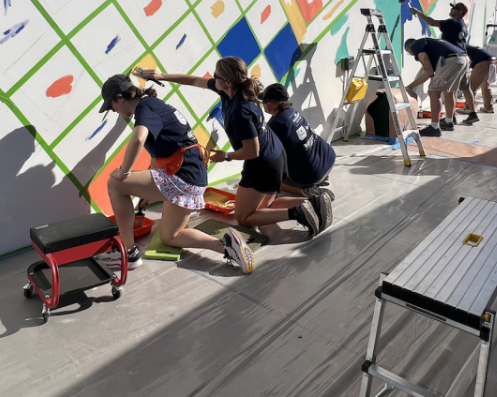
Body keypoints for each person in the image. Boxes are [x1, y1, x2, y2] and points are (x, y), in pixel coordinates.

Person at [136, 57, 321, 237]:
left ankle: (297, 213)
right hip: (274, 153)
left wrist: (225, 156)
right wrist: (162, 76)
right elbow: (193, 80)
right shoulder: (229, 91)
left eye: (215, 75)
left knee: (244, 217)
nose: (212, 78)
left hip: (263, 163)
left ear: (226, 81)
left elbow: (252, 151)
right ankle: (315, 201)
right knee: (263, 208)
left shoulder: (240, 111)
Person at [99, 74, 255, 273]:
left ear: (120, 98)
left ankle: (129, 254)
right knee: (170, 236)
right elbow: (159, 154)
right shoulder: (155, 104)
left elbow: (138, 139)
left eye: (112, 106)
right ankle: (226, 245)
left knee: (115, 183)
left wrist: (124, 172)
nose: (114, 111)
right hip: (192, 175)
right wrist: (146, 191)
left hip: (182, 175)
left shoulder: (145, 109)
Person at [262, 83, 336, 231]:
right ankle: (317, 186)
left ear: (274, 104)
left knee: (268, 178)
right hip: (328, 159)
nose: (262, 105)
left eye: (264, 102)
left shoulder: (276, 124)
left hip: (313, 173)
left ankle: (307, 192)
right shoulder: (291, 111)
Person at [403, 36, 468, 136]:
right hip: (463, 59)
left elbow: (424, 58)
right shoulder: (429, 45)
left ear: (409, 48)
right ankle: (449, 121)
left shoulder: (416, 45)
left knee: (433, 92)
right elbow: (427, 72)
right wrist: (410, 87)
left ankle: (434, 127)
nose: (413, 55)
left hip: (451, 60)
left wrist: (432, 76)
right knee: (450, 91)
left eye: (410, 53)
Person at [459, 43, 495, 124]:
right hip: (491, 61)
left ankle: (468, 107)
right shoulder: (467, 47)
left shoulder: (461, 49)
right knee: (485, 85)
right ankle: (489, 107)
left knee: (471, 86)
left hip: (482, 62)